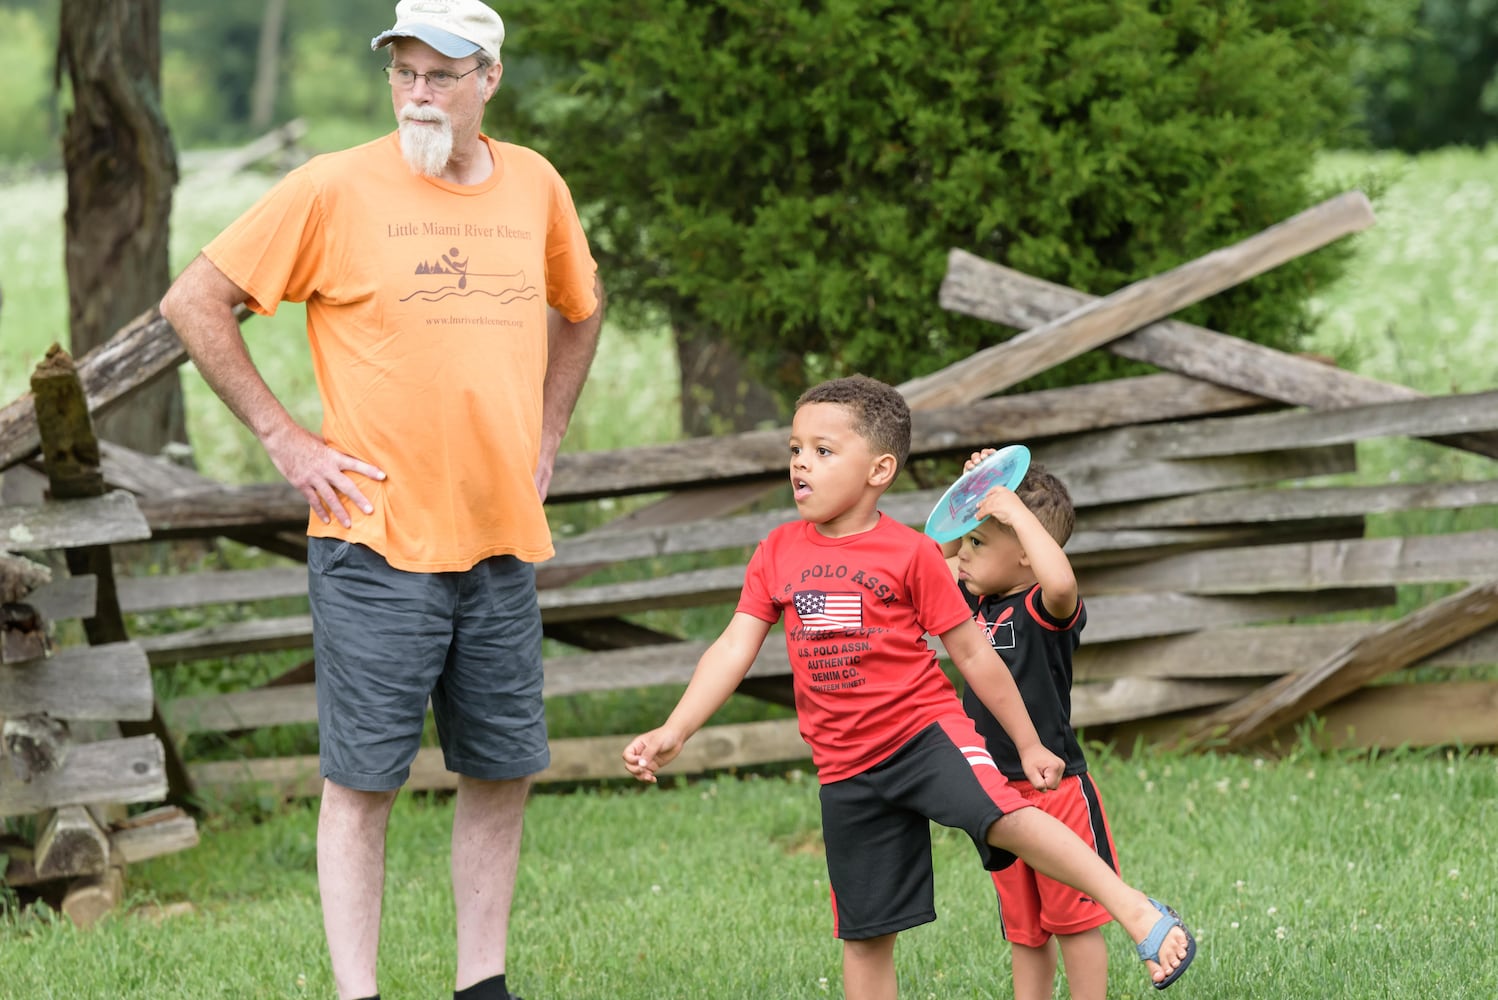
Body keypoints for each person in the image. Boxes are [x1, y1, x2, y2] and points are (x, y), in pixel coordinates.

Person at [159, 2, 604, 997]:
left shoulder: (534, 184)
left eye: (441, 74)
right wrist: (284, 437)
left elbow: (581, 306)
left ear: (489, 77)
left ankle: (479, 981)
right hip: (374, 540)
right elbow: (194, 300)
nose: (416, 91)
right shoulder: (334, 187)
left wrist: (548, 433)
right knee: (362, 781)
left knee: (500, 769)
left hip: (497, 538)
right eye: (403, 70)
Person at [621, 375, 1195, 999]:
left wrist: (1028, 745)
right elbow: (734, 646)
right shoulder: (777, 552)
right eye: (794, 450)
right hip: (843, 766)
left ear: (879, 469)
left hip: (925, 736)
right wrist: (674, 729)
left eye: (823, 450)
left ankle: (1135, 909)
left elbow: (975, 655)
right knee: (867, 936)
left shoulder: (913, 554)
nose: (801, 465)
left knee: (1004, 815)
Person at [938, 456, 1125, 1000]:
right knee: (1025, 930)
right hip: (997, 794)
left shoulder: (1044, 607)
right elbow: (932, 556)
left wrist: (1016, 512)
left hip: (1055, 791)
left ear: (1024, 550)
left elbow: (1061, 578)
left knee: (1076, 921)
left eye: (978, 543)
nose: (964, 555)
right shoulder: (975, 602)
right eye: (967, 542)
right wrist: (971, 491)